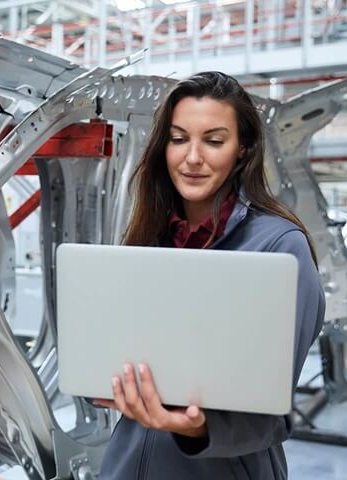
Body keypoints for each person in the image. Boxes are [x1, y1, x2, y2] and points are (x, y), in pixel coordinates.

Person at [93, 71, 325, 479]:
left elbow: (273, 414)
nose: (193, 157)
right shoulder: (148, 240)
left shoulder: (280, 248)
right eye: (179, 139)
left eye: (214, 141)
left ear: (242, 149)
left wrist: (198, 427)